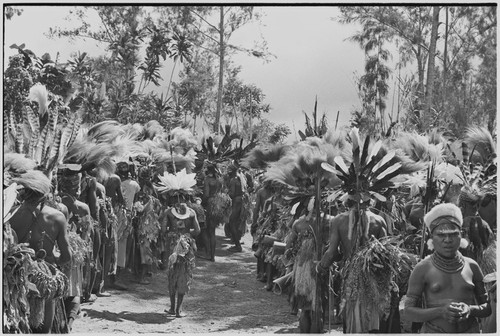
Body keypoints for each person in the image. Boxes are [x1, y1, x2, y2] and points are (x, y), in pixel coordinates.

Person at [403, 203, 491, 333]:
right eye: (441, 235)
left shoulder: (472, 266)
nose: (448, 240)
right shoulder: (422, 268)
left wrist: (470, 309)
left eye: (453, 234)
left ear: (461, 235)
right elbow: (408, 312)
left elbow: (488, 308)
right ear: (432, 238)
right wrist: (440, 311)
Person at [9, 170, 72, 333]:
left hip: (16, 279)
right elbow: (67, 256)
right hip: (45, 282)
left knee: (18, 324)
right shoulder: (57, 217)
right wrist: (50, 262)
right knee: (44, 329)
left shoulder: (10, 214)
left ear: (24, 192)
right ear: (44, 194)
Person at [316, 199, 387, 333]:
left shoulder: (339, 220)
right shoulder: (379, 220)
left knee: (353, 314)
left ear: (347, 200)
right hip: (374, 275)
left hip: (351, 275)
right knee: (372, 314)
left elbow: (332, 253)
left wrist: (321, 267)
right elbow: (386, 253)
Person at [162, 198, 201, 317]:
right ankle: (178, 310)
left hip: (173, 246)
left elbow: (163, 229)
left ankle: (172, 308)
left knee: (172, 274)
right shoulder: (192, 212)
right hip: (186, 246)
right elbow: (198, 230)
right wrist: (187, 236)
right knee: (184, 274)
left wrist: (172, 234)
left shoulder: (168, 212)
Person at [202, 163, 223, 261]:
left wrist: (202, 204)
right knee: (213, 232)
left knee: (205, 230)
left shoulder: (207, 180)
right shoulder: (218, 180)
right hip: (217, 205)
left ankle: (208, 253)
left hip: (209, 205)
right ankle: (213, 256)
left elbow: (206, 194)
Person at [227, 164, 243, 252]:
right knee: (235, 223)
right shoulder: (241, 177)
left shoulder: (233, 180)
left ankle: (238, 245)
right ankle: (237, 243)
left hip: (236, 202)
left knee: (232, 223)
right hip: (240, 202)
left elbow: (232, 193)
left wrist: (225, 195)